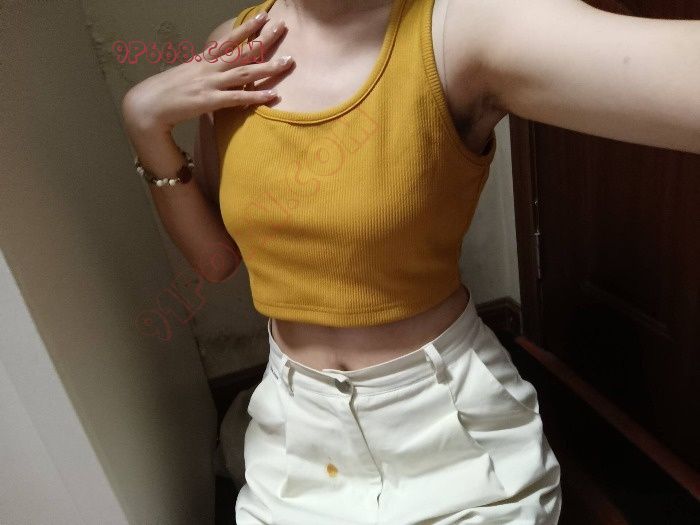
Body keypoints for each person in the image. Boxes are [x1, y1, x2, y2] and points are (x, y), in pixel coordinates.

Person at [120, 0, 699, 523]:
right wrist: (146, 125)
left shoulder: (460, 27)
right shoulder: (237, 44)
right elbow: (217, 261)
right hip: (294, 434)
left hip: (447, 430)